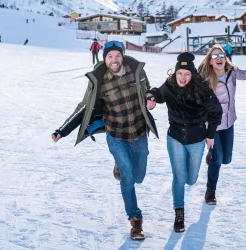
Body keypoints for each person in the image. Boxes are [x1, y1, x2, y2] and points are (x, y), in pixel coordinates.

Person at [51, 41, 158, 241]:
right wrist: (63, 130)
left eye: (117, 56)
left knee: (139, 176)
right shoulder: (99, 80)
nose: (114, 60)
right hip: (116, 135)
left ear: (122, 56)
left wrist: (151, 99)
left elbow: (149, 91)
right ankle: (135, 220)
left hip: (139, 132)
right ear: (104, 58)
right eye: (110, 56)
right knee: (127, 179)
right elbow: (84, 106)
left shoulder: (137, 71)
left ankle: (122, 164)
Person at [146, 53, 222, 233]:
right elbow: (159, 92)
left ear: (192, 74)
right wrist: (151, 96)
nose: (182, 77)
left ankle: (190, 178)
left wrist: (210, 135)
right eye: (180, 73)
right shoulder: (171, 85)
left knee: (191, 179)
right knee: (179, 177)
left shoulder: (202, 90)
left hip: (196, 140)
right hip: (175, 138)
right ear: (175, 73)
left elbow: (216, 112)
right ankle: (179, 213)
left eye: (186, 74)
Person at [198, 44, 246, 205]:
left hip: (229, 121)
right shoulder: (204, 77)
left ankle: (212, 154)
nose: (219, 58)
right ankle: (210, 191)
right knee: (218, 160)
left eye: (221, 55)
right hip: (210, 124)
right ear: (210, 61)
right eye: (214, 56)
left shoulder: (232, 72)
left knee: (226, 159)